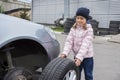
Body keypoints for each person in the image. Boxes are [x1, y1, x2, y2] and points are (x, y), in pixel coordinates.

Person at [59, 7, 94, 80]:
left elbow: (85, 45)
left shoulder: (89, 30)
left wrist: (79, 58)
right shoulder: (73, 28)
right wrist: (65, 53)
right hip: (77, 56)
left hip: (87, 58)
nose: (79, 20)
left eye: (81, 18)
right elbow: (69, 41)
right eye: (77, 18)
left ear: (86, 19)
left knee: (88, 74)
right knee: (77, 73)